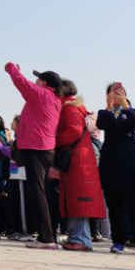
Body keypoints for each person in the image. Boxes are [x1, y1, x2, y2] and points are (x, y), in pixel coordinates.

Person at [4, 63, 62, 250]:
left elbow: (21, 83)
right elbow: (26, 91)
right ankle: (47, 234)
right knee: (40, 191)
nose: (35, 80)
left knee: (37, 192)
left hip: (35, 148)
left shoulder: (42, 94)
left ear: (44, 82)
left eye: (39, 78)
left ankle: (47, 238)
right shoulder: (52, 98)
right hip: (46, 148)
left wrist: (12, 68)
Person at [96, 84, 135, 254]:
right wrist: (109, 106)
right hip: (111, 162)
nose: (117, 95)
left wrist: (125, 105)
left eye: (120, 92)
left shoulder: (131, 112)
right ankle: (118, 241)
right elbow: (101, 123)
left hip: (131, 163)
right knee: (115, 205)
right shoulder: (105, 113)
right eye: (113, 92)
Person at [54, 81, 105, 251]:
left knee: (79, 200)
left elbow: (74, 130)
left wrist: (55, 141)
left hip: (77, 158)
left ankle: (82, 239)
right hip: (80, 157)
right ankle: (78, 237)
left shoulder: (69, 108)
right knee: (77, 199)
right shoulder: (74, 106)